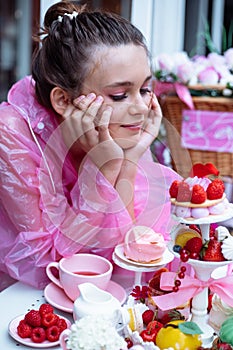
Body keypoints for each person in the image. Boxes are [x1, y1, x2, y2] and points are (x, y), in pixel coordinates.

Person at [0, 1, 180, 290]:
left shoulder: (119, 126)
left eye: (145, 89)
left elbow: (130, 247)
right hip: (25, 294)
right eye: (120, 95)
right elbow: (50, 264)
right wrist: (100, 168)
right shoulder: (13, 133)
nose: (140, 108)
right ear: (63, 100)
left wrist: (130, 159)